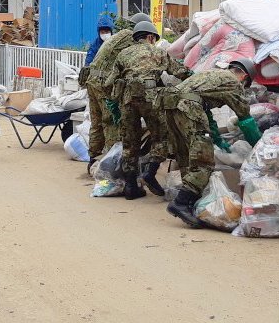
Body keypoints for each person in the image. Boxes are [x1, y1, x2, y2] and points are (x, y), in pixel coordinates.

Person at [161, 59, 262, 228]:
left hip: (170, 105)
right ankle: (181, 202)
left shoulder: (213, 73)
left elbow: (205, 112)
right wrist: (260, 147)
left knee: (186, 154)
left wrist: (216, 139)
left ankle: (192, 201)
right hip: (189, 107)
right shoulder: (233, 83)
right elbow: (246, 120)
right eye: (246, 84)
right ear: (244, 77)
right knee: (204, 160)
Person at [104, 21, 191, 200]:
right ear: (150, 37)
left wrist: (114, 101)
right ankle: (150, 173)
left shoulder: (123, 54)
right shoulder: (158, 52)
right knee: (161, 137)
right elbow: (180, 72)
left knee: (130, 141)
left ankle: (130, 186)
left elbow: (109, 81)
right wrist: (196, 77)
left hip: (128, 99)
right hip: (151, 99)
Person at [83, 12, 151, 172]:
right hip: (102, 84)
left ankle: (93, 158)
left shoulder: (120, 36)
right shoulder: (131, 38)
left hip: (92, 80)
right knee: (110, 122)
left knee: (96, 122)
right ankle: (111, 166)